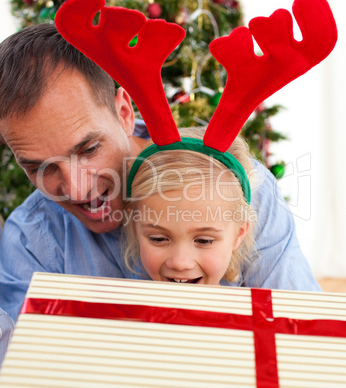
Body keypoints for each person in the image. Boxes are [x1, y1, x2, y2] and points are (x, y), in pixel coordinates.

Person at [0, 22, 321, 365]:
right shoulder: (30, 239)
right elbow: (26, 367)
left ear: (123, 113)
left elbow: (300, 343)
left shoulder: (241, 189)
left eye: (89, 148)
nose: (77, 189)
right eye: (39, 167)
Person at [122, 127, 257, 285]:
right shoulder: (115, 308)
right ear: (134, 226)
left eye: (204, 241)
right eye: (158, 239)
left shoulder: (248, 310)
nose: (180, 263)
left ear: (239, 233)